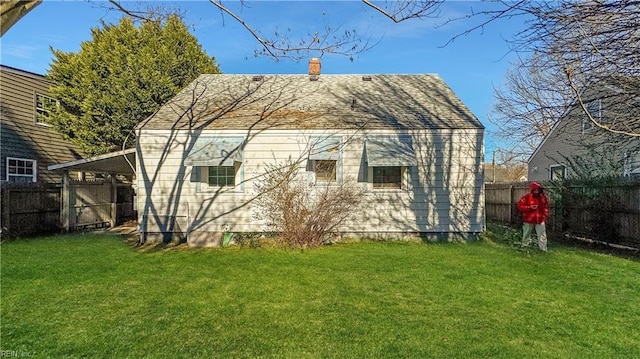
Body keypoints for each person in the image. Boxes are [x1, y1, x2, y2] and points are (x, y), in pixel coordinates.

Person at [516, 182, 549, 251]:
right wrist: (529, 207)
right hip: (528, 219)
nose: (536, 191)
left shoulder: (543, 198)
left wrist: (545, 215)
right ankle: (524, 247)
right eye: (535, 190)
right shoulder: (526, 198)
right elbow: (520, 206)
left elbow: (546, 207)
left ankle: (543, 249)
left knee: (542, 236)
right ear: (532, 190)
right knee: (526, 235)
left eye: (538, 189)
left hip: (540, 219)